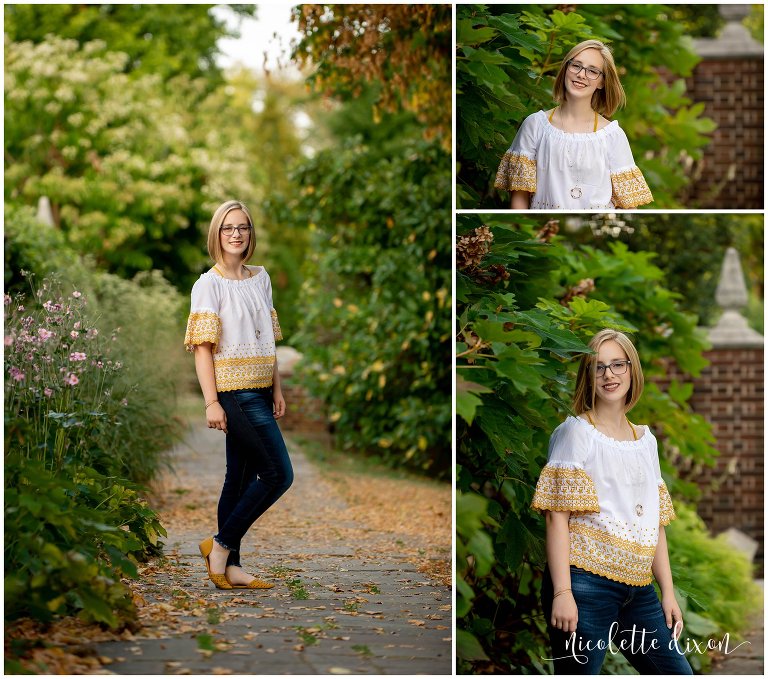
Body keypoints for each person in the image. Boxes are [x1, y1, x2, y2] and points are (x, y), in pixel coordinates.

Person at [531, 329, 692, 674]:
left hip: (639, 591)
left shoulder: (645, 441)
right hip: (585, 584)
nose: (609, 375)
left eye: (618, 364)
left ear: (632, 370)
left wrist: (667, 591)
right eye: (599, 367)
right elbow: (556, 518)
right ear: (587, 375)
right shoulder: (576, 433)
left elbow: (655, 524)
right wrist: (563, 592)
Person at [184, 199, 293, 590]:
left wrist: (276, 388)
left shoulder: (260, 278)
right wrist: (211, 401)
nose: (236, 233)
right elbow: (202, 348)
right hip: (234, 393)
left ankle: (231, 567)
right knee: (279, 474)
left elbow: (267, 340)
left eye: (243, 227)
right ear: (217, 233)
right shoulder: (207, 285)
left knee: (239, 477)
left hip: (262, 391)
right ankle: (221, 545)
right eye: (228, 227)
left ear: (250, 234)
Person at [494, 40, 653, 210]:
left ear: (602, 82)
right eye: (576, 65)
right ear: (565, 70)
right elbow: (519, 198)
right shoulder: (535, 125)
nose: (581, 74)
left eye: (592, 71)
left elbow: (628, 207)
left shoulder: (612, 135)